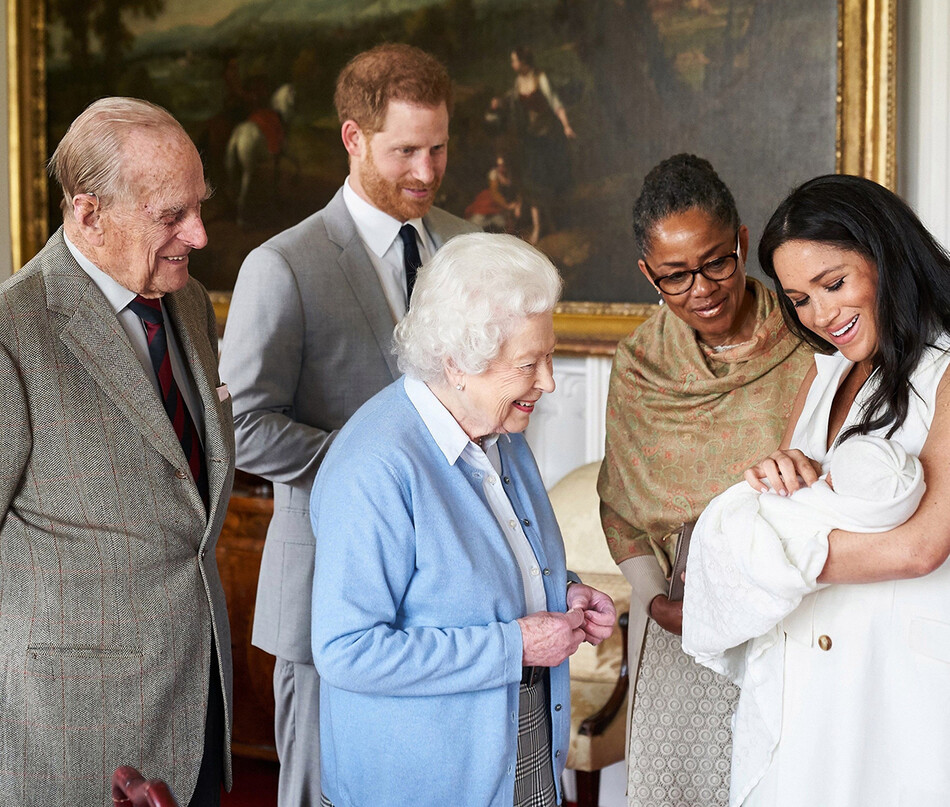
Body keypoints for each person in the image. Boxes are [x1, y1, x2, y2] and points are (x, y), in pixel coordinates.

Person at [217, 43, 476, 806]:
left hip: (449, 602)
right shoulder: (283, 264)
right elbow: (246, 428)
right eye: (404, 151)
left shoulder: (468, 248)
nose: (426, 172)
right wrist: (382, 464)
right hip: (327, 591)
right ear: (352, 138)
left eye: (439, 148)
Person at [310, 232, 617, 807]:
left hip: (520, 759)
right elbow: (348, 651)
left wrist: (562, 594)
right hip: (421, 783)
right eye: (530, 363)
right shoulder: (374, 467)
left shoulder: (500, 429)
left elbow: (481, 574)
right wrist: (515, 646)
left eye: (548, 356)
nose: (549, 381)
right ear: (457, 364)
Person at [0, 97, 234, 806]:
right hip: (75, 736)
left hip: (201, 700)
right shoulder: (14, 330)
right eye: (172, 215)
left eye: (199, 206)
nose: (197, 233)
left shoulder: (189, 305)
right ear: (89, 214)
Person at [702, 174, 950, 806]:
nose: (821, 315)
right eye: (799, 299)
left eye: (833, 284)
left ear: (887, 255)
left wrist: (761, 554)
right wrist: (776, 479)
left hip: (895, 676)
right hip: (804, 663)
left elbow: (922, 546)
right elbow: (784, 498)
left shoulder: (946, 367)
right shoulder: (827, 371)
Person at [596, 154, 814, 806]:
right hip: (680, 615)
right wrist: (655, 597)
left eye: (717, 261)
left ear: (743, 241)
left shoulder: (809, 339)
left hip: (796, 604)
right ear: (648, 274)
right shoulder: (640, 365)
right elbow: (621, 505)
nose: (704, 287)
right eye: (675, 275)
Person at [682, 435, 924, 794]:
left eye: (833, 479)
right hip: (800, 646)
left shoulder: (833, 509)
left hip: (854, 648)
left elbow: (916, 551)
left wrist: (727, 564)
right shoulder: (822, 378)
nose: (825, 479)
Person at [490, 46, 575, 245]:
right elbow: (511, 99)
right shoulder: (519, 82)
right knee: (532, 183)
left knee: (545, 183)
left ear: (523, 62)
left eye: (514, 61)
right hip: (530, 140)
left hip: (548, 138)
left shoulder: (541, 78)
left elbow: (555, 102)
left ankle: (551, 224)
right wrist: (499, 102)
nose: (512, 65)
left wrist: (566, 126)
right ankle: (539, 226)